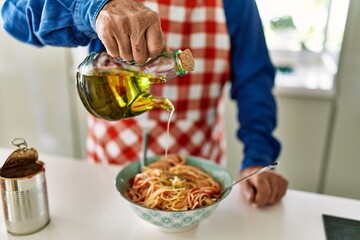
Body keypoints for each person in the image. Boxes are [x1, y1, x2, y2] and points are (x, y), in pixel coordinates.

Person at [1, 0, 288, 207]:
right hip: (110, 164)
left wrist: (259, 158)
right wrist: (93, 9)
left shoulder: (237, 4)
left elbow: (254, 83)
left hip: (200, 170)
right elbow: (12, 14)